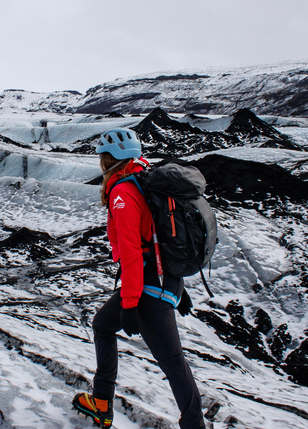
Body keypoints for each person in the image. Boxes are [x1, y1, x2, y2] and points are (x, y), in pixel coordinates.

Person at [72, 128, 206, 429]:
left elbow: (132, 253)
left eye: (102, 158)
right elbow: (161, 235)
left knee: (173, 363)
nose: (100, 163)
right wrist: (178, 286)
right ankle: (101, 402)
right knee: (103, 325)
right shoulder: (145, 177)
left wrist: (130, 304)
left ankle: (194, 425)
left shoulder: (123, 193)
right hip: (163, 280)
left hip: (148, 288)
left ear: (109, 160)